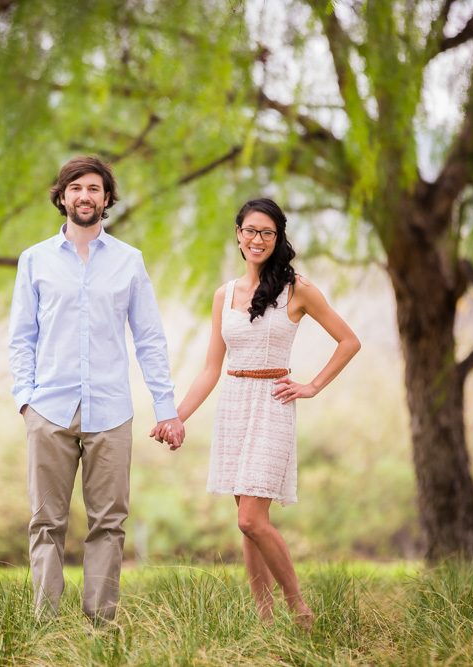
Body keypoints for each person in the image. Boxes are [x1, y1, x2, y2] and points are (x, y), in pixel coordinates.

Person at [152, 197, 360, 627]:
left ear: (278, 236)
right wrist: (176, 416)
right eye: (250, 230)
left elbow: (348, 341)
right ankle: (264, 623)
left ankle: (300, 610)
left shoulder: (297, 289)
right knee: (246, 521)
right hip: (233, 404)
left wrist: (312, 386)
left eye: (267, 232)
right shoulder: (224, 295)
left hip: (273, 403)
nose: (257, 239)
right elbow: (212, 368)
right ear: (238, 234)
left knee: (251, 518)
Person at [8, 155, 185, 623]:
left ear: (107, 199)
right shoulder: (35, 261)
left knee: (109, 524)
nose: (84, 196)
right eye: (75, 187)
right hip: (48, 409)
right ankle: (45, 623)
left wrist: (166, 409)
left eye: (94, 189)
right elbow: (21, 336)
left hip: (111, 411)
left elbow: (149, 338)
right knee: (46, 523)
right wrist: (25, 399)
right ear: (62, 196)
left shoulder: (129, 261)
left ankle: (100, 625)